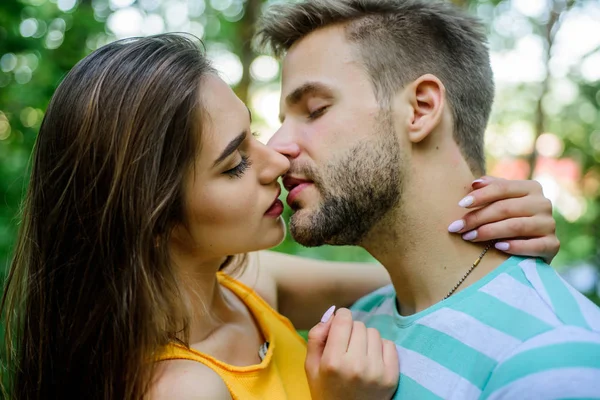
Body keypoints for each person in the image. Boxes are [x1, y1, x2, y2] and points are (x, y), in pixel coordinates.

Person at [0, 33, 559, 400]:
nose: (276, 160)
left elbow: (424, 277)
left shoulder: (243, 286)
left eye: (252, 134)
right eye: (235, 164)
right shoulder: (185, 389)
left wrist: (503, 227)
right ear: (155, 220)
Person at [257, 0, 600, 398]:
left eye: (315, 110)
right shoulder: (360, 325)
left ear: (420, 109)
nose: (276, 146)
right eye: (284, 120)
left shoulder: (555, 359)